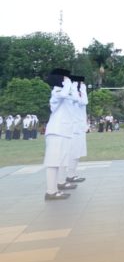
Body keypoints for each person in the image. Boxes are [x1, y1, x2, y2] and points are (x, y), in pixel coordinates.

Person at [43, 68, 79, 200]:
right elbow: (64, 95)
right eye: (65, 78)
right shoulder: (57, 92)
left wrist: (73, 86)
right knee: (53, 163)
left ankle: (57, 187)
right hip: (56, 132)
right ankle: (51, 191)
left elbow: (75, 98)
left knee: (59, 162)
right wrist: (68, 83)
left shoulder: (66, 93)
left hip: (64, 132)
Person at [66, 75, 88, 184]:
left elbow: (85, 101)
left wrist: (82, 89)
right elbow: (82, 101)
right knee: (73, 153)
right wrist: (74, 86)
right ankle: (70, 174)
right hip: (73, 128)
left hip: (80, 127)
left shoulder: (78, 95)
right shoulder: (70, 94)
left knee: (78, 153)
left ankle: (73, 174)